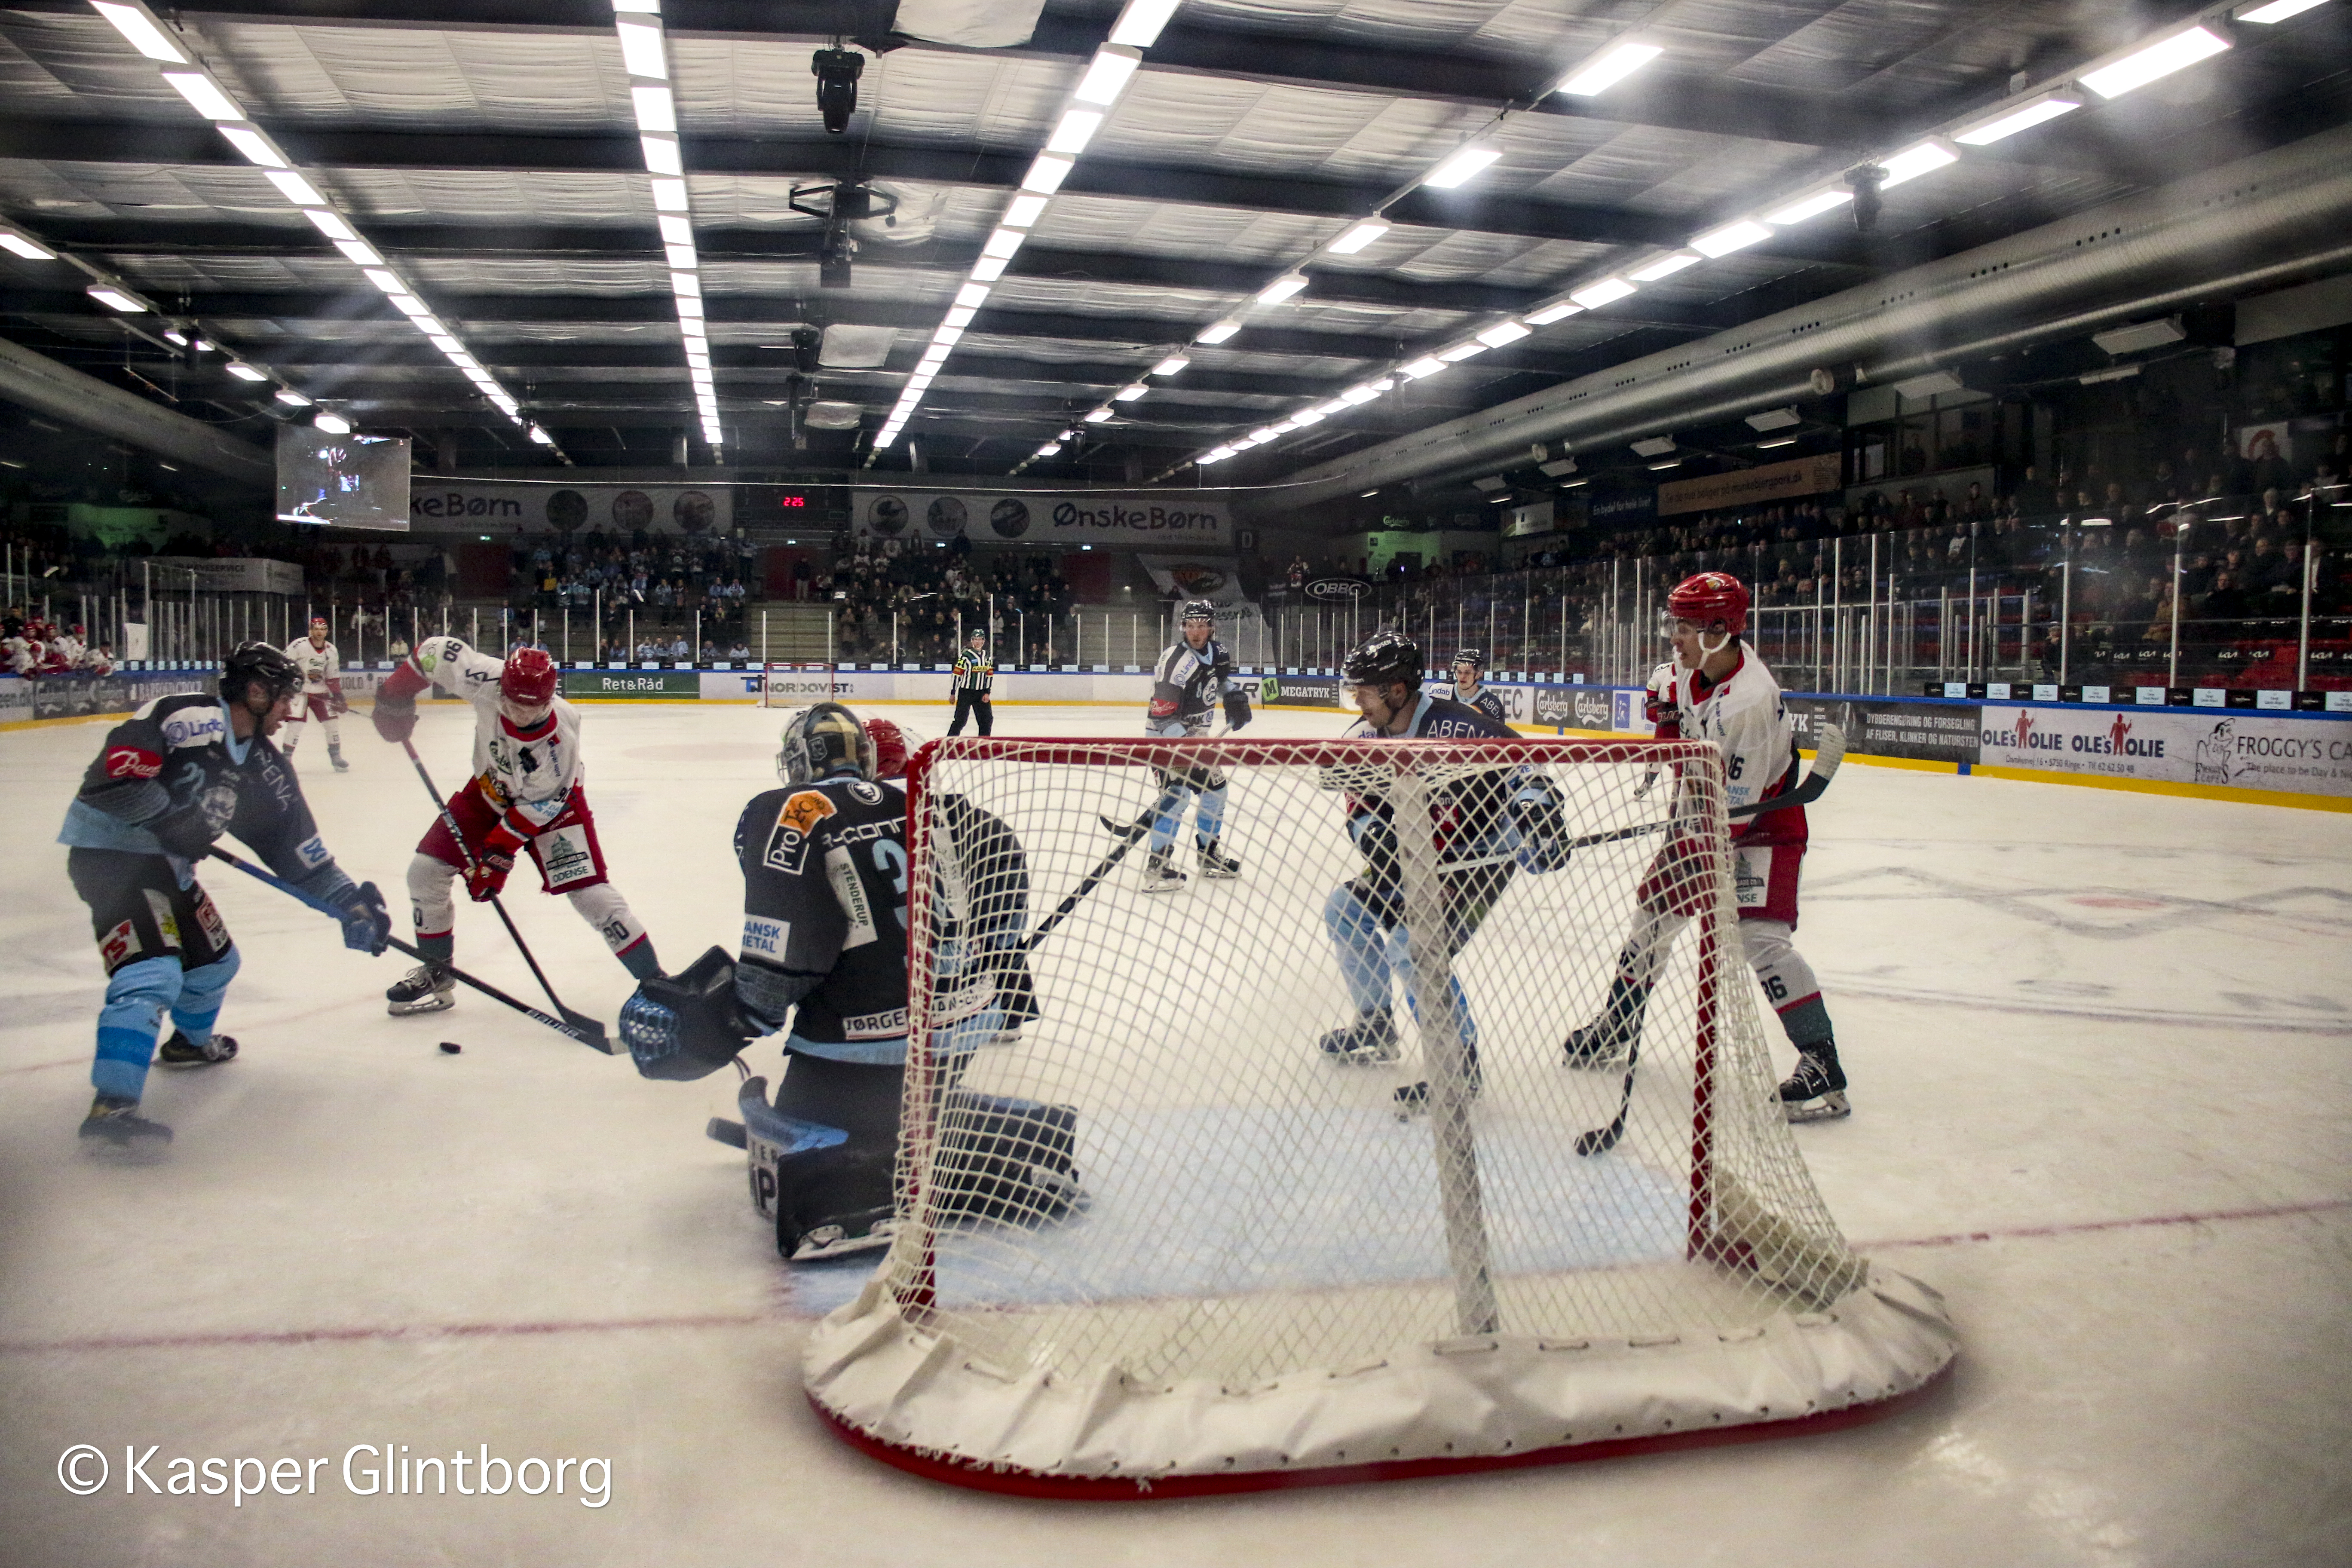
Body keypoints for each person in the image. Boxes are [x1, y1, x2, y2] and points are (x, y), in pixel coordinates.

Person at [617, 704, 1074, 1260]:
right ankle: (1026, 1151)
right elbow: (1001, 849)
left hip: (862, 1047)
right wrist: (1000, 956)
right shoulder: (925, 800)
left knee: (809, 1114)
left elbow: (789, 948)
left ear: (799, 762)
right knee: (918, 1105)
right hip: (961, 1027)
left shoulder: (789, 810)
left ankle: (843, 1195)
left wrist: (734, 1018)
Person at [58, 643, 389, 1151]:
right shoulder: (184, 717)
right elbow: (109, 785)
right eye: (282, 700)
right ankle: (112, 1107)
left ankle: (189, 1046)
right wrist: (171, 819)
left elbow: (297, 852)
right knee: (154, 972)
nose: (287, 711)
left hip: (169, 867)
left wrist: (350, 903)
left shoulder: (263, 765)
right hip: (111, 856)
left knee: (215, 966)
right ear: (255, 692)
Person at [1565, 572, 1849, 1123]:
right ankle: (1620, 1022)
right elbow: (1677, 735)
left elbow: (1735, 812)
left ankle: (1823, 1065)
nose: (1675, 637)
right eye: (1675, 624)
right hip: (1702, 812)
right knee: (1652, 919)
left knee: (1759, 940)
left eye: (1687, 627)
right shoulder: (1685, 670)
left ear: (1721, 631)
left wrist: (1696, 837)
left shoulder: (1750, 700)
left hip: (1763, 823)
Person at [1318, 631, 1567, 1115]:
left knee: (1415, 947)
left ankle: (1459, 1064)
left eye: (1365, 691)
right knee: (1344, 908)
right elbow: (1358, 803)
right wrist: (1374, 838)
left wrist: (1537, 815)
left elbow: (1528, 770)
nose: (1357, 701)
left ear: (1395, 690)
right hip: (1415, 856)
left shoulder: (1463, 726)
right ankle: (1375, 1025)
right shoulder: (1365, 736)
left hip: (1478, 858)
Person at [368, 636, 660, 1016]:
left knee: (591, 896)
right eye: (511, 704)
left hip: (553, 811)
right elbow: (434, 652)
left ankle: (655, 983)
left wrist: (496, 856)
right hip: (488, 792)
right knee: (424, 873)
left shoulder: (561, 738)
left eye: (531, 708)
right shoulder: (486, 678)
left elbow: (542, 805)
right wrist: (395, 696)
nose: (518, 715)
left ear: (548, 699)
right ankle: (437, 972)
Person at [1139, 600, 1250, 893]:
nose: (1196, 632)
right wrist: (1188, 747)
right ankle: (1158, 864)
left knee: (1216, 791)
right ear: (1183, 628)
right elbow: (1162, 715)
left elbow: (1220, 680)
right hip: (1166, 740)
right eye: (1191, 625)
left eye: (1202, 625)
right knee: (1177, 797)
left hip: (1196, 741)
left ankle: (1208, 855)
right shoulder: (1175, 662)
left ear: (1212, 627)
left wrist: (1234, 696)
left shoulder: (1218, 653)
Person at [279, 616, 349, 772]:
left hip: (321, 692)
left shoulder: (331, 650)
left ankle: (336, 758)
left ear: (327, 631)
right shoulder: (299, 645)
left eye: (323, 629)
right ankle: (286, 760)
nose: (319, 632)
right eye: (316, 629)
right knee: (295, 726)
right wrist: (290, 682)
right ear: (310, 631)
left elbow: (332, 676)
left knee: (332, 724)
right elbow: (283, 663)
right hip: (300, 693)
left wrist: (338, 697)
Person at [947, 628, 994, 736]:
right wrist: (953, 693)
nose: (978, 642)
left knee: (987, 720)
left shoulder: (987, 658)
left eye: (980, 639)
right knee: (960, 720)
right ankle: (949, 742)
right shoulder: (965, 656)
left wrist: (987, 692)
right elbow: (957, 675)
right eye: (975, 639)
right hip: (966, 693)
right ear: (972, 641)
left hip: (981, 693)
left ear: (984, 641)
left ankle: (983, 744)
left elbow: (990, 676)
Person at [1450, 648, 1509, 725]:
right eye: (1459, 672)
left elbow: (1498, 735)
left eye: (1468, 673)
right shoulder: (1441, 691)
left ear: (1479, 673)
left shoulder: (1493, 705)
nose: (1462, 677)